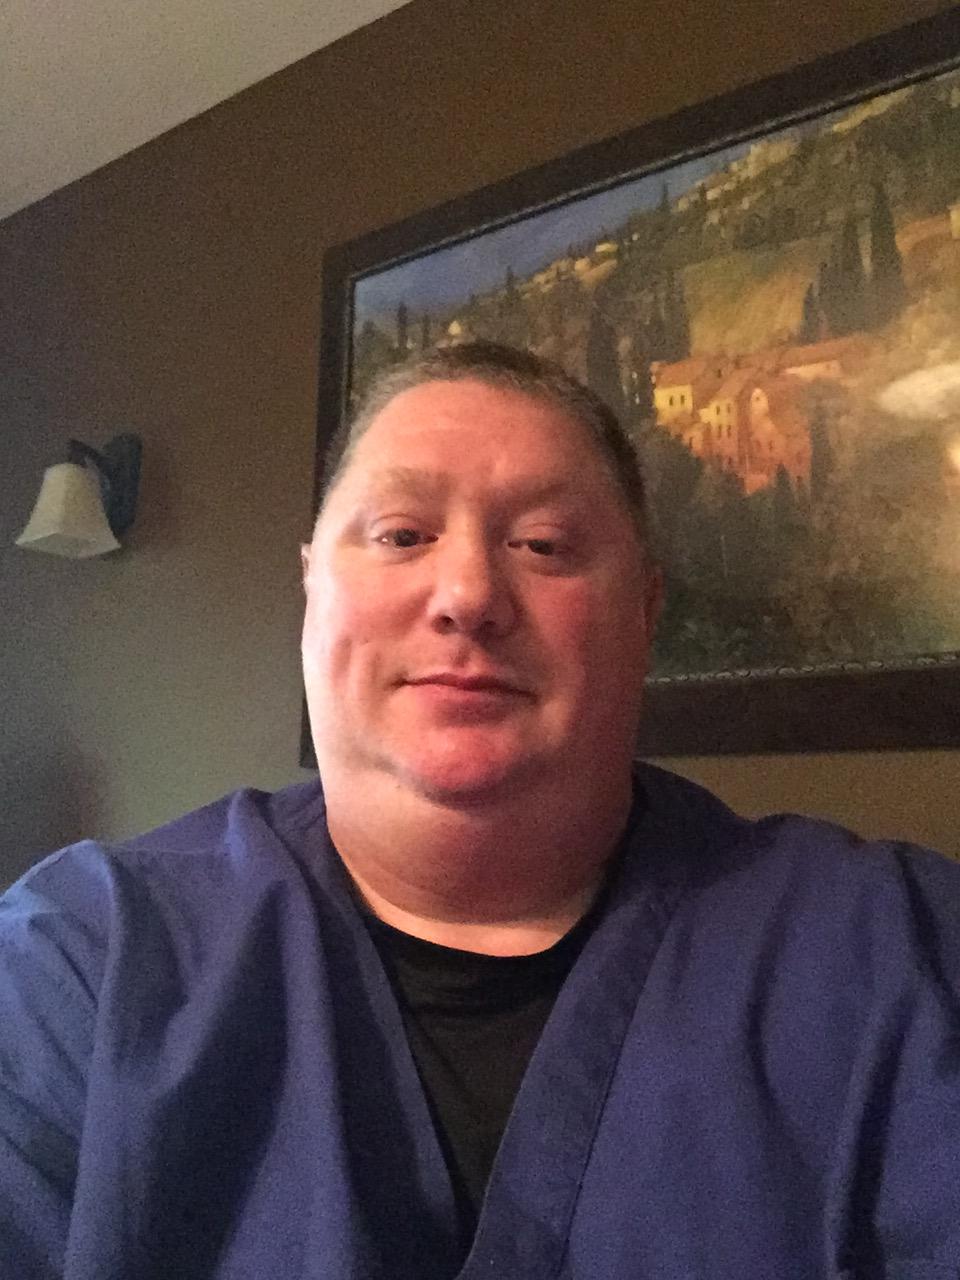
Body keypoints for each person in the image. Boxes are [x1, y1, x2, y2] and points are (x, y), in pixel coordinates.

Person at [1, 341, 959, 1280]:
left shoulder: (901, 955)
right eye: (401, 536)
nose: (467, 595)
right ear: (311, 584)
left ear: (645, 610)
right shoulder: (74, 965)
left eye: (544, 546)